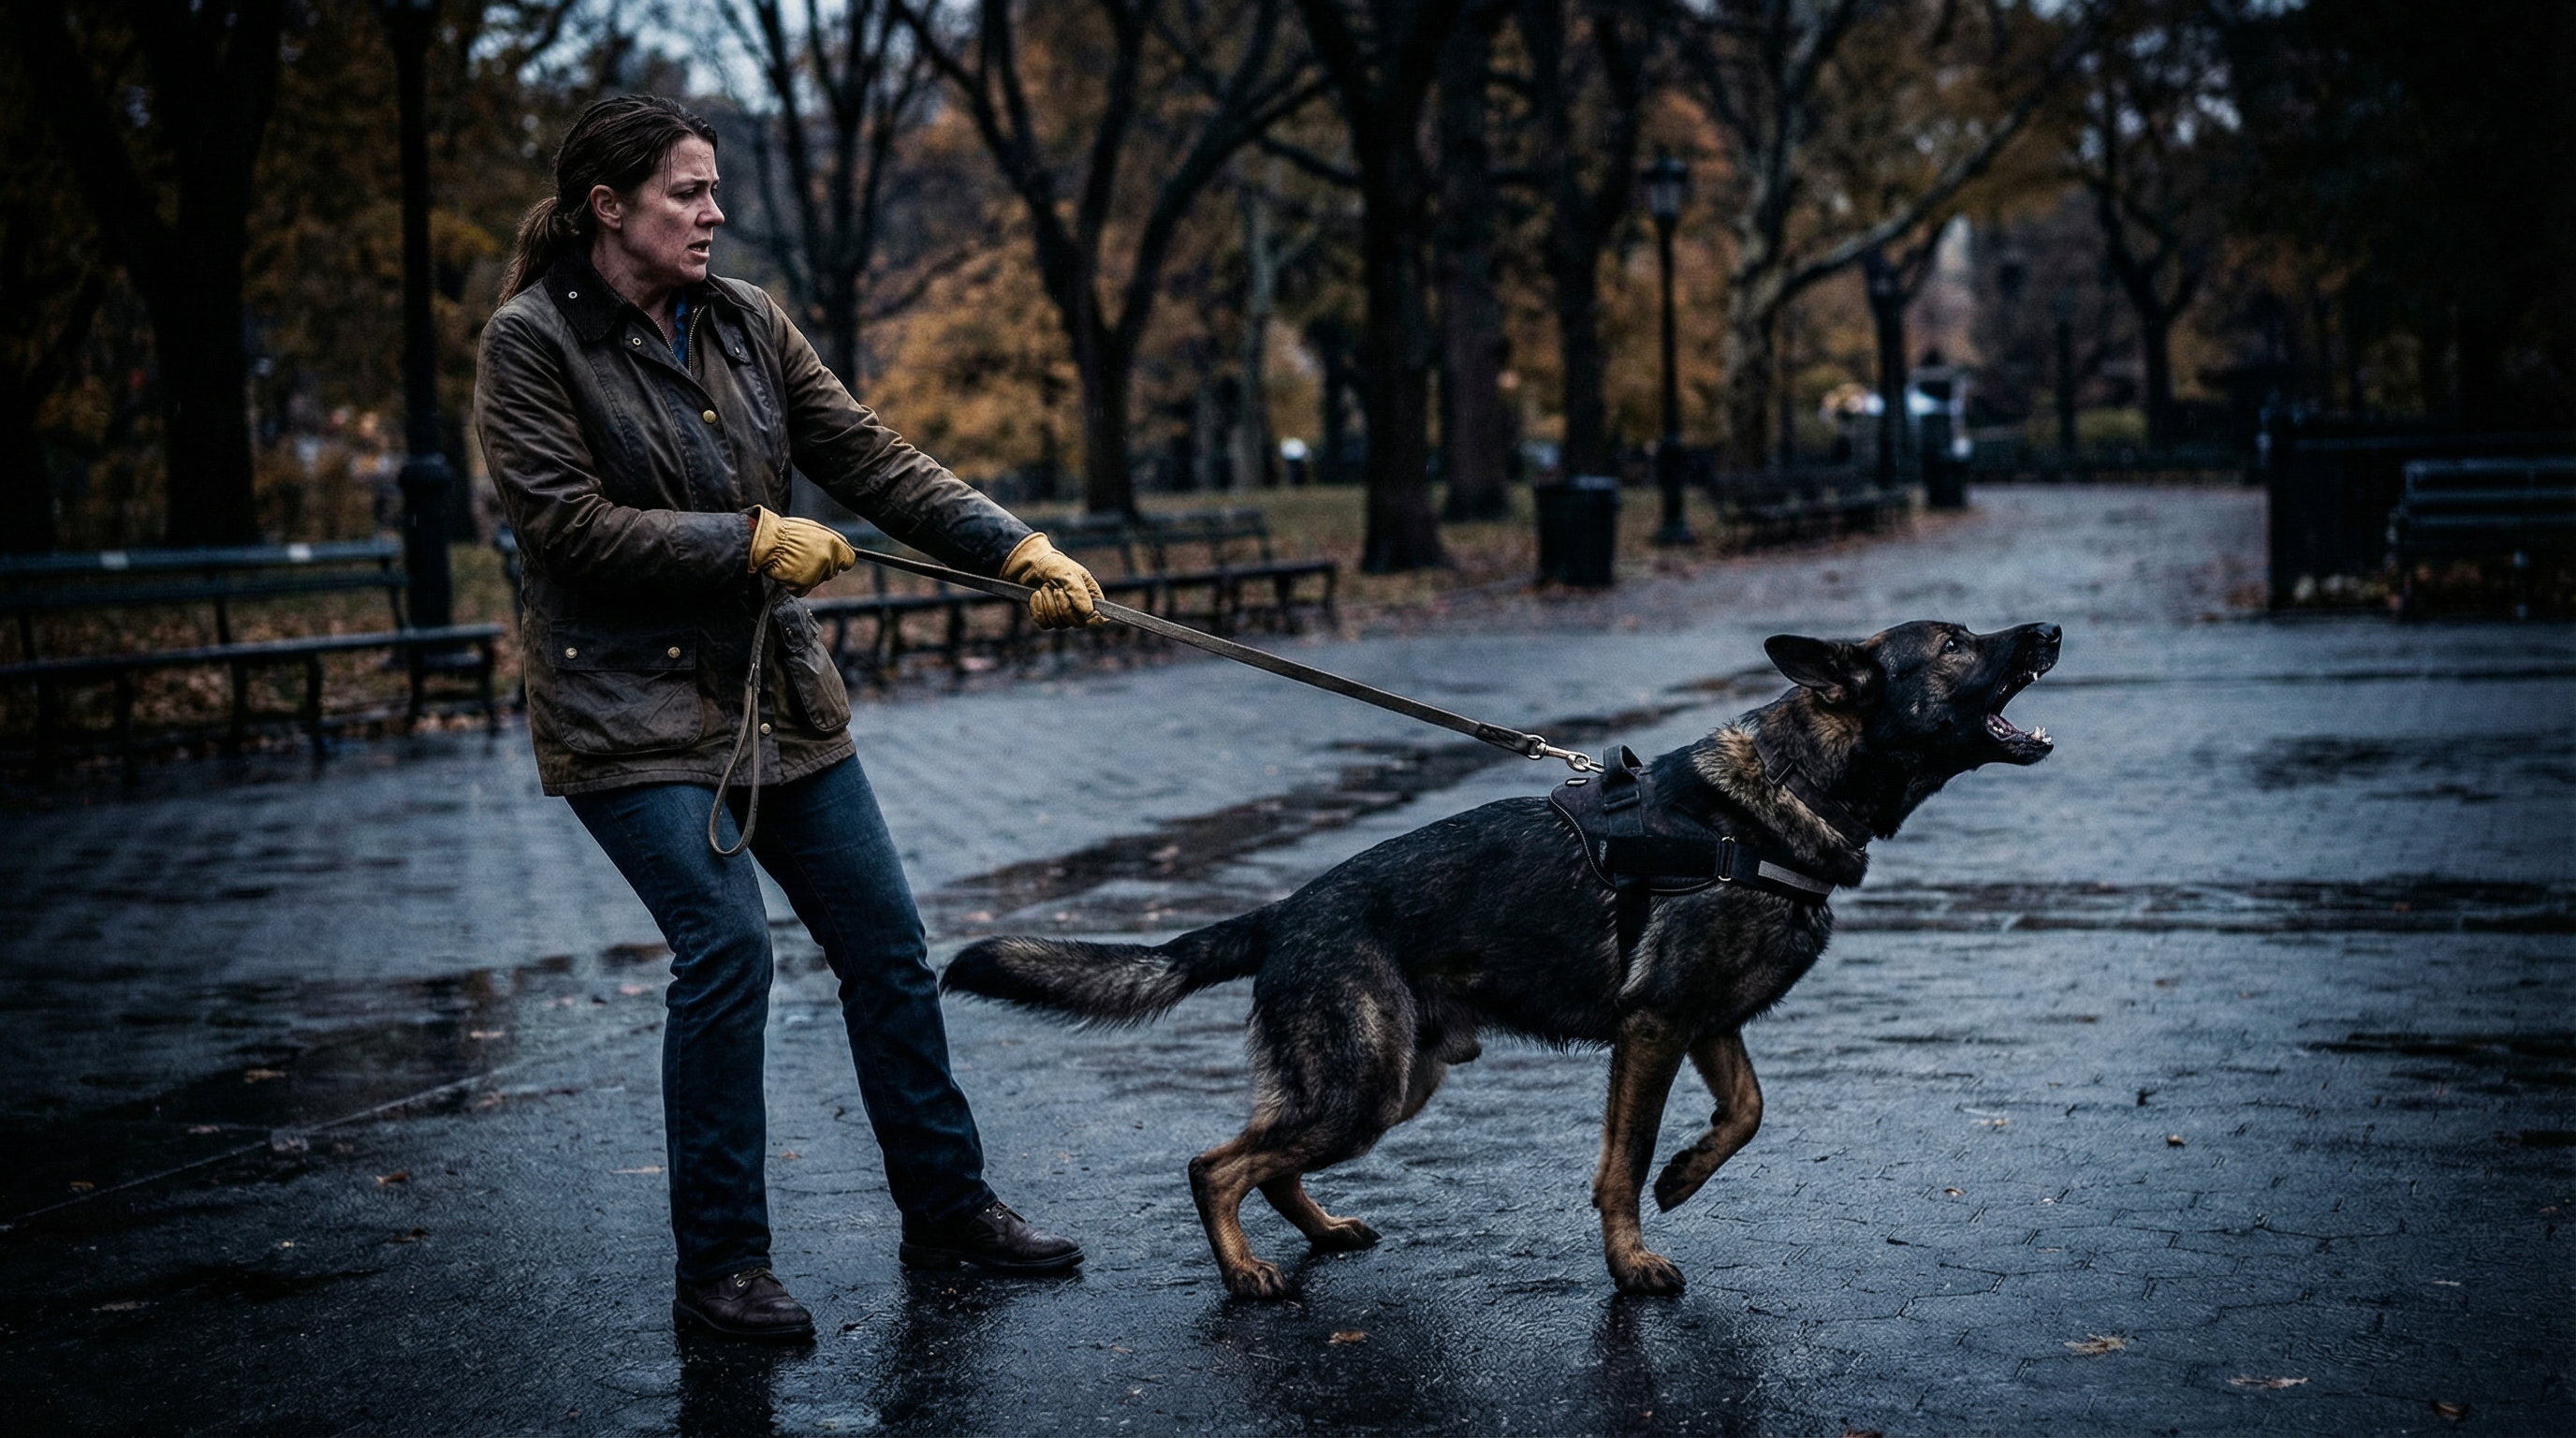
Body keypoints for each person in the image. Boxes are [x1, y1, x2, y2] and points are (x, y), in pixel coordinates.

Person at [475, 95, 1105, 1342]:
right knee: (728, 952)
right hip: (626, 713)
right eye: (687, 192)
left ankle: (948, 1207)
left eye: (714, 189)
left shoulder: (747, 319)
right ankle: (722, 1265)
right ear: (608, 207)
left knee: (887, 947)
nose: (714, 212)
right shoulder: (531, 341)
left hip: (777, 698)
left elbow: (871, 458)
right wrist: (749, 540)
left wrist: (1013, 546)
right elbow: (563, 526)